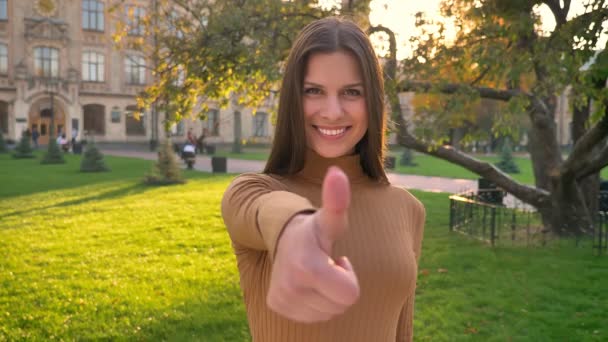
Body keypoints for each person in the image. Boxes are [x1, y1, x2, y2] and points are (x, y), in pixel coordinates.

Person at [221, 17, 425, 342]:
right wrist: (294, 229)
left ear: (372, 100)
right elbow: (264, 210)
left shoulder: (408, 208)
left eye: (351, 92)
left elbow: (403, 333)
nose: (332, 112)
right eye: (314, 91)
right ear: (292, 99)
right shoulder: (253, 191)